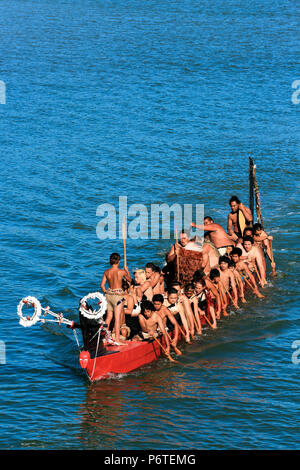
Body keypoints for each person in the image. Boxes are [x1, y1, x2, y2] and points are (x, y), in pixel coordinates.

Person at [100, 252, 131, 344]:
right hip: (118, 297)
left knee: (108, 317)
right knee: (117, 318)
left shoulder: (106, 272)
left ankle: (104, 338)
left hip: (108, 295)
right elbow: (130, 280)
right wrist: (126, 270)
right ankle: (117, 339)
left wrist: (107, 292)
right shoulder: (121, 272)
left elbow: (102, 285)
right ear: (119, 261)